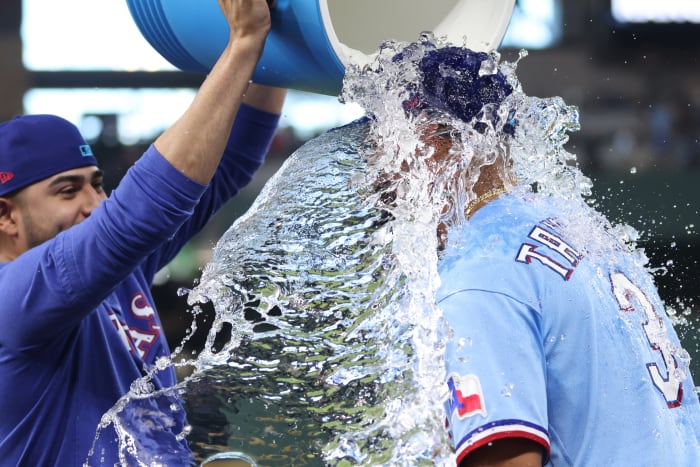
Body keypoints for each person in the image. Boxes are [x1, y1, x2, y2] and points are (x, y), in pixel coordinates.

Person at [366, 46, 700, 465]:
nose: (375, 173)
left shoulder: (478, 274)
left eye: (381, 143)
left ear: (428, 144)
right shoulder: (582, 226)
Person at [0, 0, 287, 465]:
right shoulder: (14, 297)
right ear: (5, 216)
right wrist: (243, 42)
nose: (93, 204)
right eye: (67, 191)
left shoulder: (116, 274)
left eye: (96, 184)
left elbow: (229, 161)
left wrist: (277, 41)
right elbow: (135, 215)